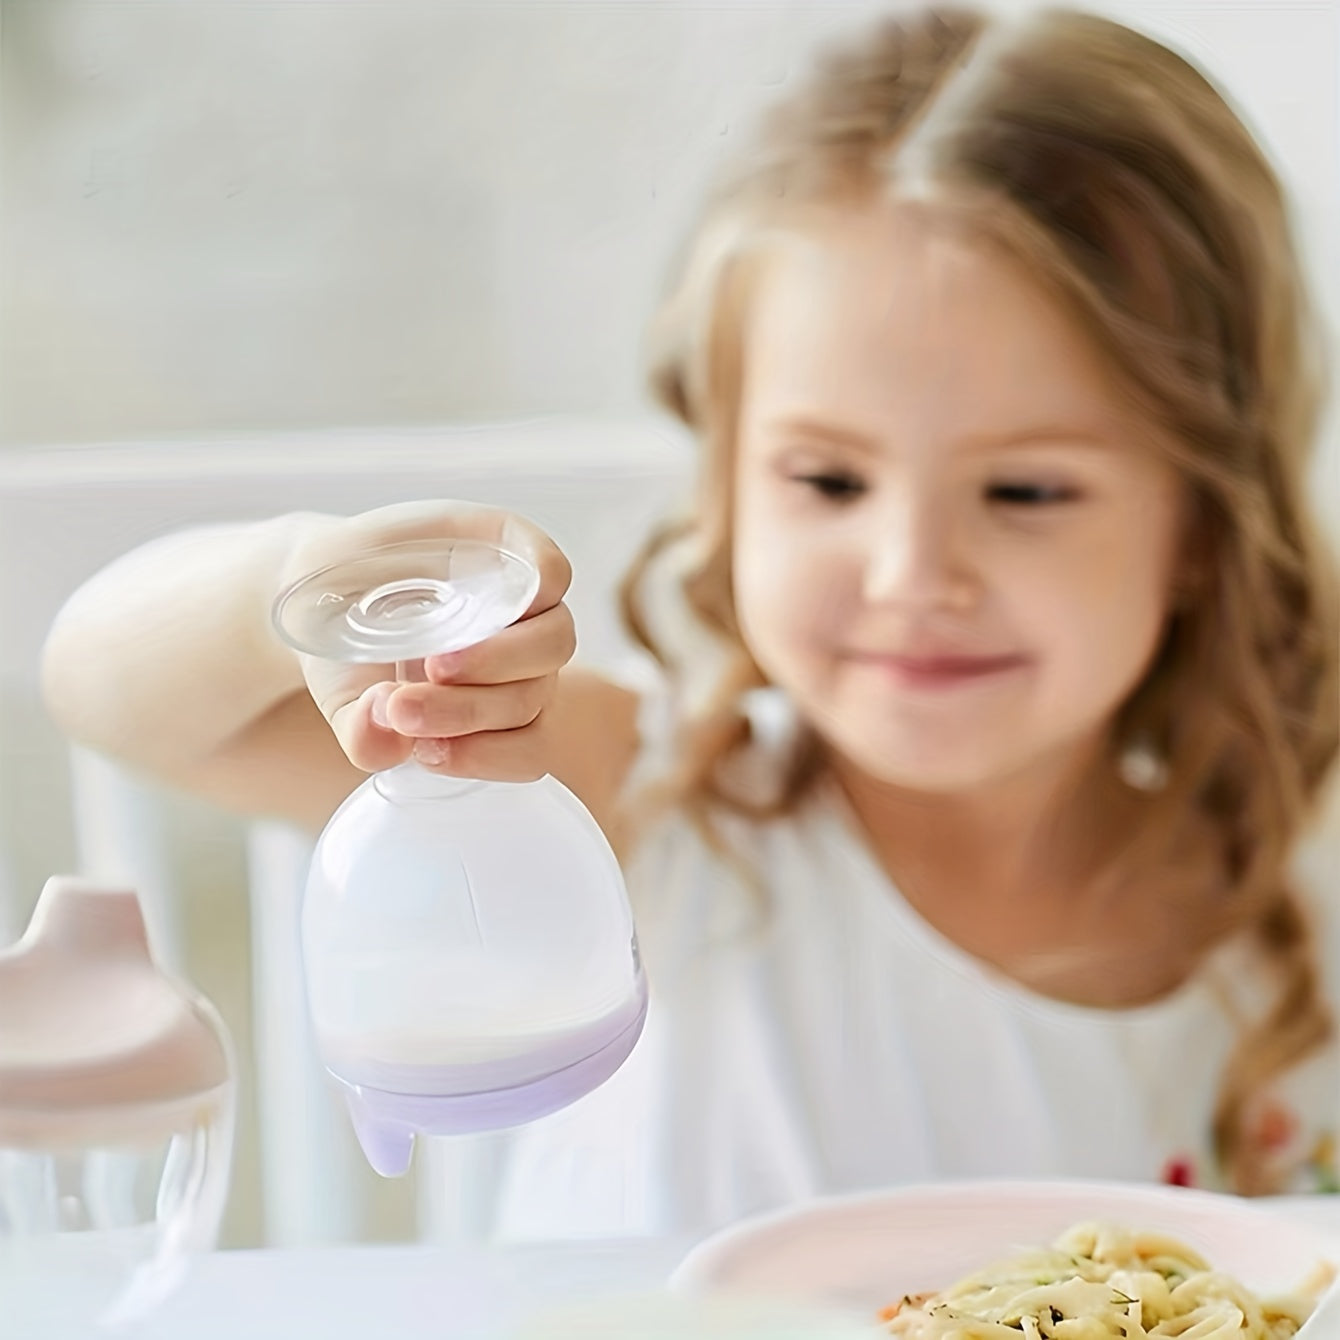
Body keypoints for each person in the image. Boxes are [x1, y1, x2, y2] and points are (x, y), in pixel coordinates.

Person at [41, 4, 1340, 1240]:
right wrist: (298, 588)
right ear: (726, 488)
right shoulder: (638, 802)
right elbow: (103, 689)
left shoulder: (1292, 911)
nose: (910, 570)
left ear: (1206, 526)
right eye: (828, 480)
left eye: (1026, 490)